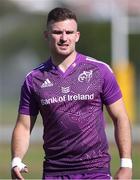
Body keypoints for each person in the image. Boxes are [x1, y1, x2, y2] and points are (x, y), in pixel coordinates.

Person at [11, 7, 132, 180]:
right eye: (57, 32)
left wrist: (126, 164)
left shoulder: (100, 71)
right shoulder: (34, 79)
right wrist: (16, 160)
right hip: (55, 172)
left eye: (69, 32)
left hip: (95, 171)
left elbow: (120, 117)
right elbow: (23, 126)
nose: (64, 38)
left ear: (77, 36)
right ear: (46, 35)